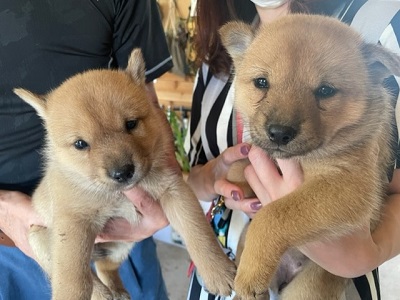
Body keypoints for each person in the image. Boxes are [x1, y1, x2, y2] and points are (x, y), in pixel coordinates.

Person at [185, 0, 400, 299]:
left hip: (327, 276)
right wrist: (215, 179)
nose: (281, 124)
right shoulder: (213, 59)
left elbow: (357, 191)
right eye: (262, 83)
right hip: (226, 273)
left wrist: (370, 252)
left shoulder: (382, 19)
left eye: (324, 91)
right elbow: (193, 177)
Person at [0, 1, 173, 299]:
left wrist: (165, 198)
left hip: (118, 215)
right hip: (12, 245)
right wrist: (3, 213)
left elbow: (145, 106)